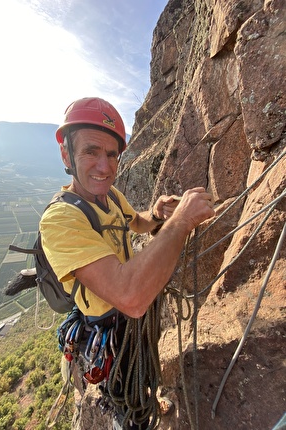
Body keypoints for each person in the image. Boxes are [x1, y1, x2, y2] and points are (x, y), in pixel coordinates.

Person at [40, 97, 215, 429]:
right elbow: (130, 295)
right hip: (109, 327)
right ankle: (134, 419)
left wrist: (159, 214)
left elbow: (137, 222)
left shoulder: (111, 196)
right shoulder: (60, 220)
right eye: (91, 151)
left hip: (134, 318)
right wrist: (179, 222)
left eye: (111, 154)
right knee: (123, 394)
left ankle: (148, 397)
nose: (105, 167)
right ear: (67, 155)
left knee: (145, 365)